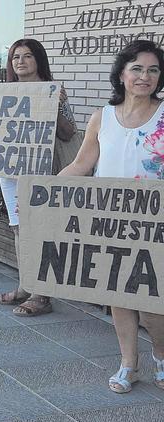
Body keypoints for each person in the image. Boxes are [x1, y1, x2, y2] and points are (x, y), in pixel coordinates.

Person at [59, 40, 164, 393]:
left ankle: (161, 356)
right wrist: (41, 191)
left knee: (153, 306)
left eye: (152, 70)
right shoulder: (102, 117)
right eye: (136, 69)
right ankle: (128, 365)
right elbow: (81, 164)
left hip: (155, 224)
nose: (144, 76)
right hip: (109, 224)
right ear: (121, 74)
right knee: (118, 296)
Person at [0, 39, 77, 316]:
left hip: (43, 171)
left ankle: (42, 295)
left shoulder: (54, 91)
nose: (20, 61)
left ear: (38, 60)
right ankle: (25, 285)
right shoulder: (3, 92)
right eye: (16, 56)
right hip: (11, 171)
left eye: (27, 56)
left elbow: (68, 132)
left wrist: (55, 108)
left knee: (40, 231)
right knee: (19, 229)